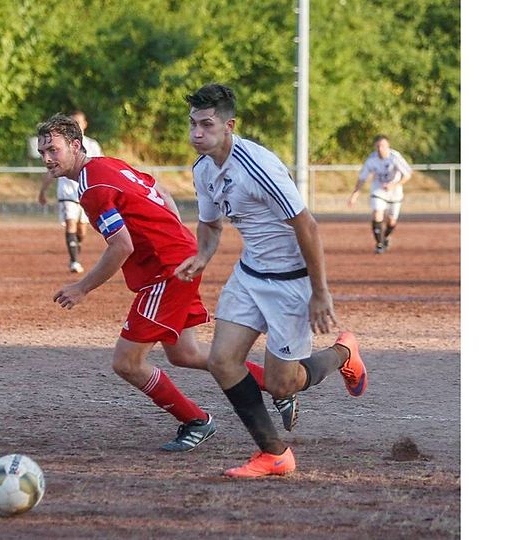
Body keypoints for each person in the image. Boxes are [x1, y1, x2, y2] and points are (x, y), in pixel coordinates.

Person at [38, 113, 280, 452]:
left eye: (53, 149)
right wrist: (175, 236)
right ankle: (277, 385)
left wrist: (82, 288)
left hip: (167, 271)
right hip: (180, 258)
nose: (47, 159)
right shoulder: (108, 165)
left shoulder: (92, 187)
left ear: (75, 145)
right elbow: (161, 191)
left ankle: (197, 420)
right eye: (43, 153)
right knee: (185, 353)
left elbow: (122, 245)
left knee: (127, 362)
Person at [176, 83, 368, 478]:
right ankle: (274, 454)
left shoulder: (257, 166)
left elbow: (307, 225)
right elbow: (210, 225)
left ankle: (343, 354)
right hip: (249, 275)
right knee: (222, 361)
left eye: (207, 124)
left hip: (291, 283)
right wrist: (202, 255)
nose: (197, 133)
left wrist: (320, 292)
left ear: (229, 125)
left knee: (284, 385)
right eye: (193, 124)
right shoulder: (203, 168)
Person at [37, 111, 104, 273]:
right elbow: (51, 168)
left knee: (82, 230)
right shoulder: (61, 143)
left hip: (85, 192)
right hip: (67, 192)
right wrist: (43, 191)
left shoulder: (92, 145)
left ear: (85, 124)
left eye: (80, 122)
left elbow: (100, 165)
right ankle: (74, 261)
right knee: (70, 223)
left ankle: (76, 248)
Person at [347, 135, 412, 254]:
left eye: (383, 146)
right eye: (378, 146)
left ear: (388, 146)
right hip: (378, 189)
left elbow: (407, 175)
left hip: (395, 192)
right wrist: (354, 195)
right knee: (377, 213)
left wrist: (394, 185)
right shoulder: (371, 159)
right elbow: (362, 178)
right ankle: (380, 244)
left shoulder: (395, 157)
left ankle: (385, 237)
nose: (380, 148)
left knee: (392, 221)